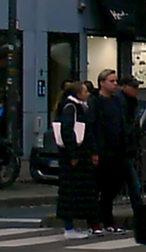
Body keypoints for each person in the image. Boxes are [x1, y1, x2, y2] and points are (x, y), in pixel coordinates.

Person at [55, 81, 99, 239]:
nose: (88, 94)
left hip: (81, 155)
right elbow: (67, 130)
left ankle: (73, 226)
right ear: (78, 93)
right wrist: (73, 154)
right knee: (71, 192)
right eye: (85, 91)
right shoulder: (71, 108)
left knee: (77, 191)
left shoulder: (79, 107)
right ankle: (69, 228)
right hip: (75, 157)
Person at [91, 69, 129, 232]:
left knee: (113, 186)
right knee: (99, 187)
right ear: (102, 83)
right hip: (103, 150)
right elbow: (94, 126)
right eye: (111, 81)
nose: (115, 84)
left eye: (115, 81)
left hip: (117, 149)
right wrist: (95, 151)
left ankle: (108, 219)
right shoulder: (96, 102)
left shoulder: (117, 101)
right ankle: (97, 220)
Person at [118, 76, 145, 210]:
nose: (136, 90)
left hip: (128, 148)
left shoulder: (130, 102)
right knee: (132, 182)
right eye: (133, 87)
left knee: (130, 182)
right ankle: (138, 209)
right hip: (124, 148)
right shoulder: (123, 102)